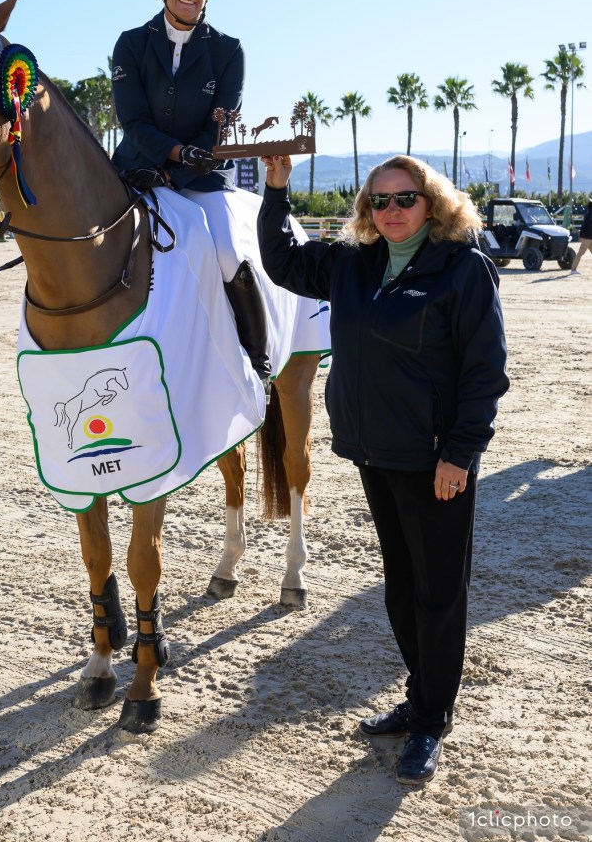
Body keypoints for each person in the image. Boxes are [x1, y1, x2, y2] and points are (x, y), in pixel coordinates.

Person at [258, 154, 509, 786]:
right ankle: (419, 697)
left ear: (434, 204)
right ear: (366, 210)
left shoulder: (462, 269)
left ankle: (431, 721)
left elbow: (485, 371)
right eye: (380, 202)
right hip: (375, 452)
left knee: (438, 593)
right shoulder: (354, 264)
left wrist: (460, 453)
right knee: (401, 586)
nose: (392, 212)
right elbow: (284, 262)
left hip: (434, 461)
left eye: (405, 199)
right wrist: (277, 190)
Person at [110, 0, 272, 392]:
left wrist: (187, 161)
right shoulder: (130, 44)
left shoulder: (229, 50)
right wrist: (172, 154)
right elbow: (134, 119)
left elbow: (223, 123)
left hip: (203, 176)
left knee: (226, 250)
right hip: (138, 168)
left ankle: (256, 359)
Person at [570, 200, 592, 273]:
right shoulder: (590, 215)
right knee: (580, 253)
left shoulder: (589, 214)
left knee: (580, 253)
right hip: (588, 237)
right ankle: (573, 269)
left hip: (589, 237)